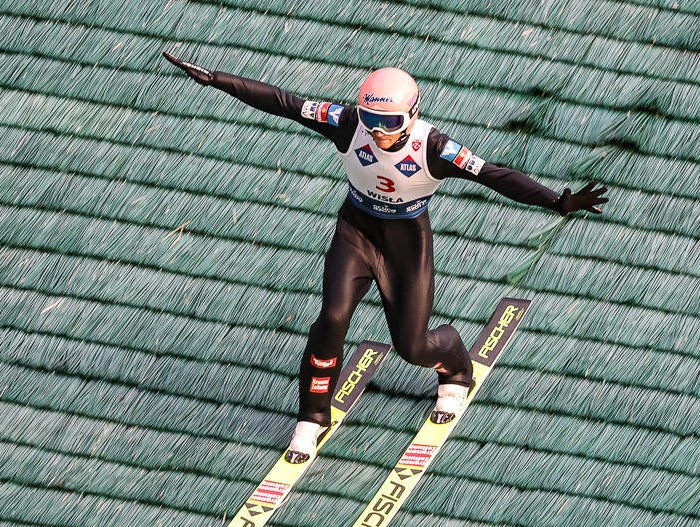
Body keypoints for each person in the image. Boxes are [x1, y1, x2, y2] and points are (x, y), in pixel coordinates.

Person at [163, 52, 608, 464]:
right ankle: (312, 415)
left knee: (412, 347)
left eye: (388, 121)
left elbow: (495, 175)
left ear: (411, 114)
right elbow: (284, 102)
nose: (377, 130)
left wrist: (557, 201)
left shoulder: (433, 147)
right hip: (356, 234)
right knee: (332, 317)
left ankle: (456, 367)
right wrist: (217, 80)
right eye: (371, 118)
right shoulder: (348, 123)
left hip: (405, 247)